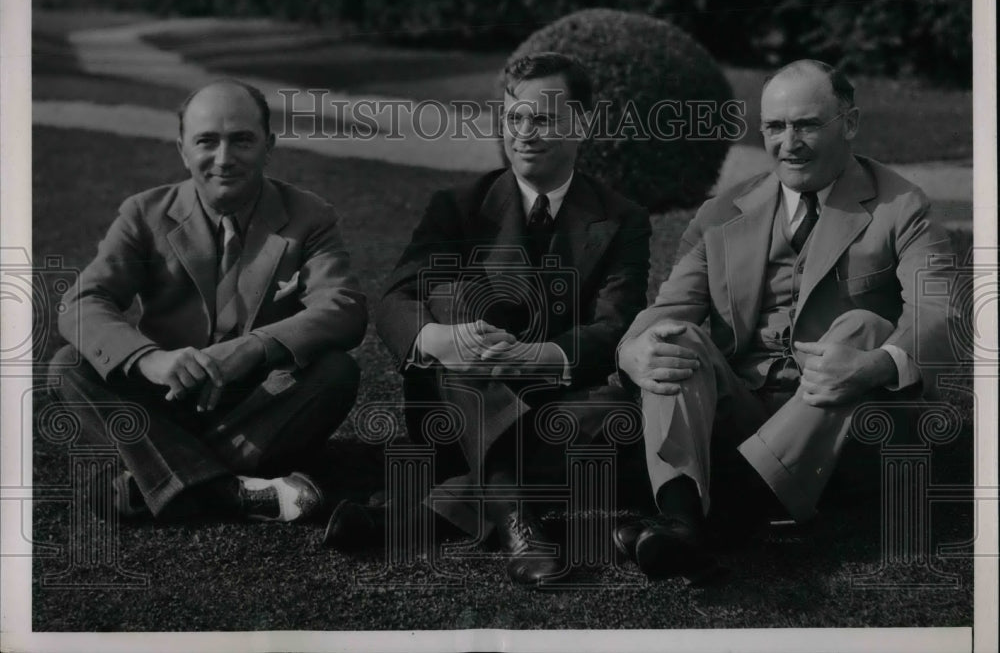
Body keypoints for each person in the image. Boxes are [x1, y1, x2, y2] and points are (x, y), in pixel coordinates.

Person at [615, 60, 956, 578]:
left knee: (864, 326)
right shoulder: (722, 212)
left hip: (842, 418)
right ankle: (681, 517)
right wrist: (630, 350)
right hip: (745, 404)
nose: (789, 142)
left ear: (851, 123)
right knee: (670, 337)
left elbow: (939, 312)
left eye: (807, 125)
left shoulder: (903, 205)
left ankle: (730, 510)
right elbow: (667, 309)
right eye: (775, 127)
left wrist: (875, 366)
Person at [325, 52, 651, 587]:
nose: (523, 133)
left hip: (557, 406)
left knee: (620, 413)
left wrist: (534, 355)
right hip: (455, 408)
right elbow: (396, 300)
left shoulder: (621, 219)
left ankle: (417, 515)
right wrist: (441, 340)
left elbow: (615, 326)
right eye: (513, 117)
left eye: (543, 119)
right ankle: (516, 517)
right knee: (454, 307)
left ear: (583, 124)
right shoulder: (458, 206)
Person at [49, 79, 367, 524]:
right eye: (206, 142)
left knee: (336, 371)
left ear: (268, 145)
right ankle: (235, 493)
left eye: (241, 140)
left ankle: (160, 480)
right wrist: (149, 360)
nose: (223, 159)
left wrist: (252, 348)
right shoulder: (144, 212)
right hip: (165, 398)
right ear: (182, 149)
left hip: (262, 401)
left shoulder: (309, 215)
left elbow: (345, 308)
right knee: (70, 365)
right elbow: (83, 301)